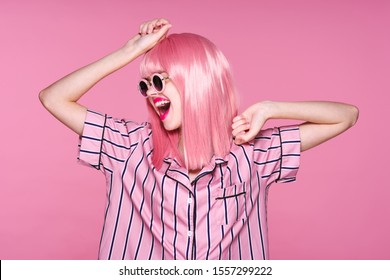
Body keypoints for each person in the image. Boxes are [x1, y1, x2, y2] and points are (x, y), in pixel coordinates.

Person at [39, 18, 359, 260]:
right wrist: (130, 51)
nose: (151, 93)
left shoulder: (254, 153)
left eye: (160, 81)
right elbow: (54, 98)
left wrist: (271, 108)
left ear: (197, 81)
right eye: (145, 85)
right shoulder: (126, 146)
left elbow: (346, 115)